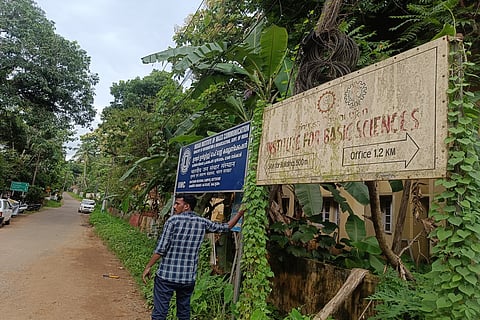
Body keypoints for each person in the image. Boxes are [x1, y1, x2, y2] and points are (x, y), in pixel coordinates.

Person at [142, 193, 245, 320]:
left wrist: (148, 266)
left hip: (166, 277)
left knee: (160, 313)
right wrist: (240, 214)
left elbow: (161, 249)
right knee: (184, 314)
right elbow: (226, 227)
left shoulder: (173, 221)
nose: (174, 206)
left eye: (177, 204)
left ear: (186, 206)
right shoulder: (202, 222)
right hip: (187, 279)